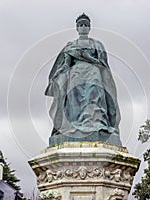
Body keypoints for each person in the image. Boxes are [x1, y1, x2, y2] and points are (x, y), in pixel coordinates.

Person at [45, 13, 121, 142]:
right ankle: (74, 125)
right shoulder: (71, 45)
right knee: (74, 98)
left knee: (95, 93)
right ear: (77, 28)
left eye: (86, 25)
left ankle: (97, 123)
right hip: (76, 72)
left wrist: (89, 57)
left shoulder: (97, 44)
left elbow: (102, 62)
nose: (83, 27)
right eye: (81, 25)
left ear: (89, 27)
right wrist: (58, 73)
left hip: (93, 71)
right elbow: (66, 64)